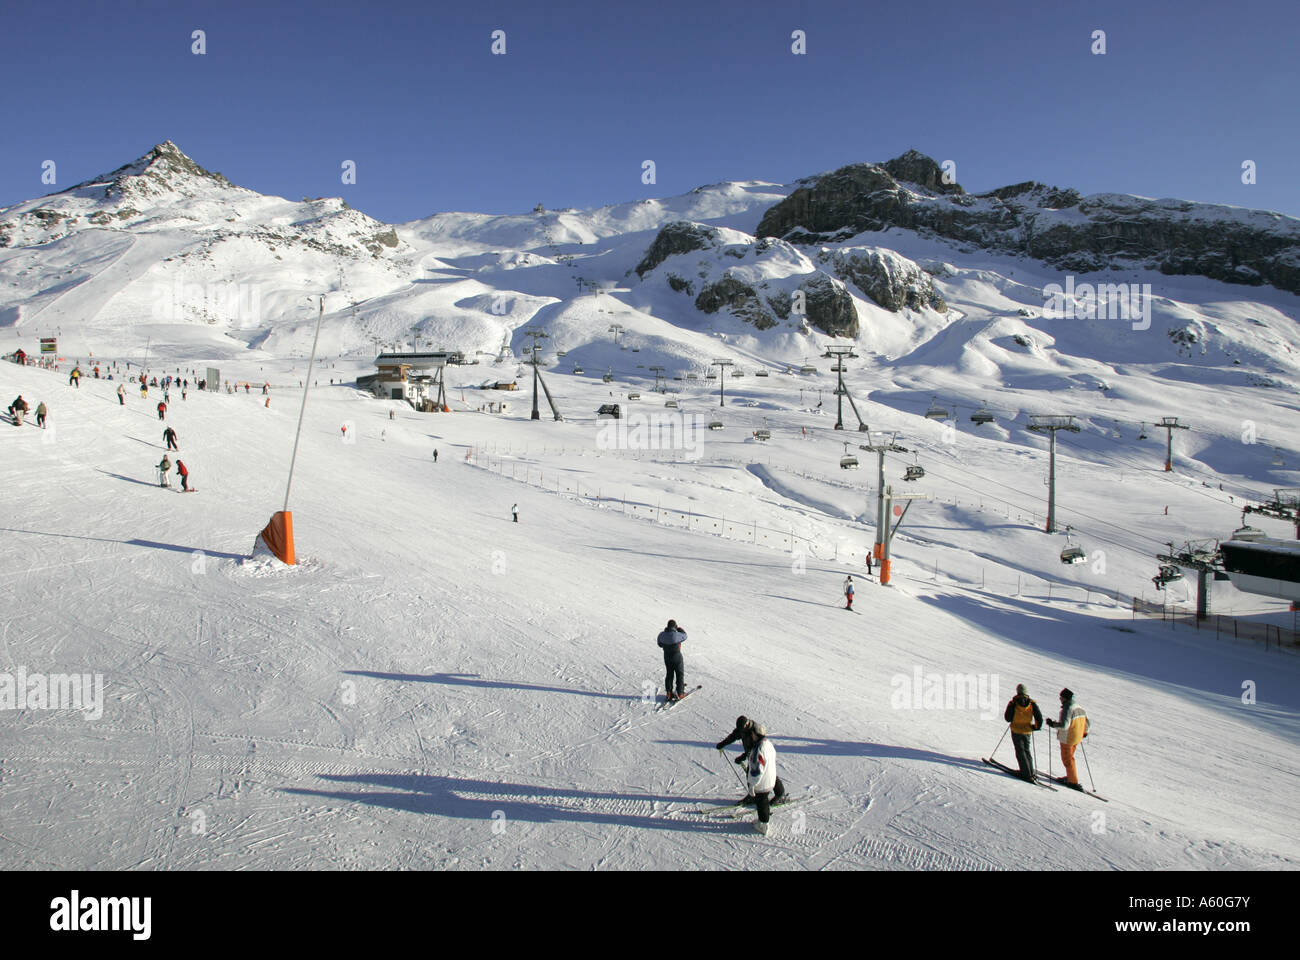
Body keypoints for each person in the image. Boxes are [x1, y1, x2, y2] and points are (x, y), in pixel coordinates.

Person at [717, 715, 787, 808]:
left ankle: (780, 793)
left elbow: (756, 747)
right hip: (751, 755)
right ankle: (753, 795)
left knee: (767, 774)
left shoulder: (755, 730)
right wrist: (723, 744)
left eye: (742, 729)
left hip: (760, 755)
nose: (741, 731)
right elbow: (733, 736)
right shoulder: (742, 729)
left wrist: (743, 756)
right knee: (751, 774)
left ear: (747, 724)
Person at [1045, 688, 1089, 790]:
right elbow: (1088, 723)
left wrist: (1053, 724)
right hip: (1077, 737)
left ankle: (1073, 782)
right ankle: (1070, 776)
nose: (1060, 699)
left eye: (1061, 697)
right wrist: (1084, 732)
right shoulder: (1079, 707)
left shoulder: (1068, 708)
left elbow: (1064, 726)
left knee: (1067, 759)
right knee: (1070, 757)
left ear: (1065, 698)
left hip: (1068, 738)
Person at [746, 722, 782, 835]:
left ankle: (763, 824)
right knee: (763, 800)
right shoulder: (768, 744)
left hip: (762, 781)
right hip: (770, 777)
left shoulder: (759, 749)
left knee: (762, 802)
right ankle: (763, 821)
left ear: (755, 734)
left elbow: (757, 769)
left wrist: (752, 784)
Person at [1003, 684, 1043, 782]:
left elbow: (1008, 718)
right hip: (1027, 730)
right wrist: (1036, 727)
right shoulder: (1032, 703)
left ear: (1017, 691)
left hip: (1016, 730)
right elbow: (1039, 718)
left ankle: (1025, 773)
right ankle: (1030, 771)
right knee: (1027, 750)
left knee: (1020, 751)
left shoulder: (1013, 703)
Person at [656, 619, 687, 702]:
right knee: (679, 674)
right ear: (675, 626)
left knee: (669, 674)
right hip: (677, 657)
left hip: (667, 657)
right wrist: (680, 629)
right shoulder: (676, 635)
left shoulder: (661, 635)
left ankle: (669, 693)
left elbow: (659, 644)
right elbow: (685, 636)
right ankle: (680, 693)